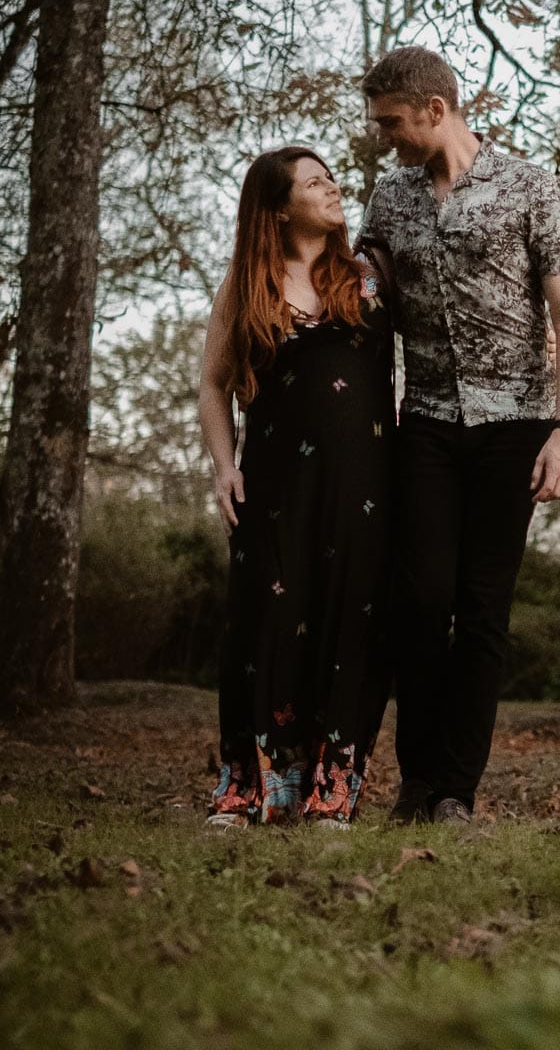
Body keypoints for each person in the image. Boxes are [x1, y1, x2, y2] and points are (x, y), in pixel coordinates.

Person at [354, 46, 560, 825]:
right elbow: (365, 288)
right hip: (422, 420)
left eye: (391, 122)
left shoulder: (530, 185)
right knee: (419, 603)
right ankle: (415, 778)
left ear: (434, 108)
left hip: (515, 425)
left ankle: (455, 788)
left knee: (483, 608)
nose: (382, 136)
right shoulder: (389, 198)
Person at [196, 145, 395, 827]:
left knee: (353, 627)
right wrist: (224, 466)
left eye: (331, 177)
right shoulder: (248, 287)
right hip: (274, 487)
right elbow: (214, 386)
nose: (333, 189)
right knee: (265, 629)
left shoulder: (371, 275)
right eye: (314, 183)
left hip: (366, 486)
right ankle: (247, 787)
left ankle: (333, 787)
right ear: (280, 208)